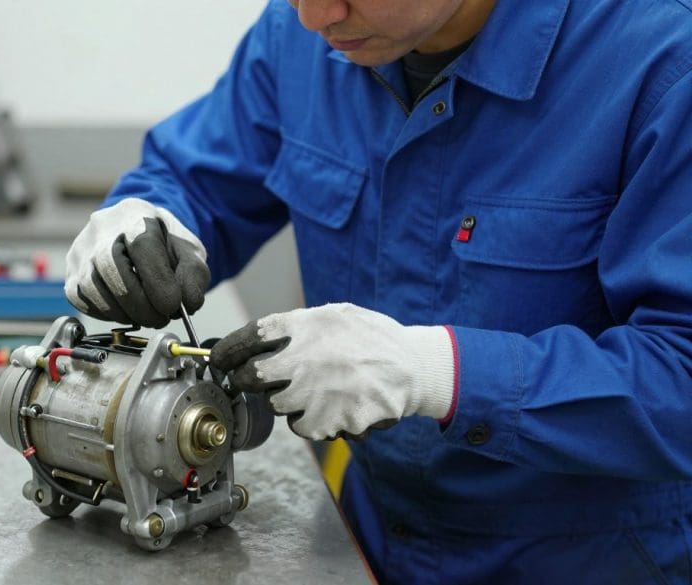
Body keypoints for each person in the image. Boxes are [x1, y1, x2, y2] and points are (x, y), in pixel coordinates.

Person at [64, 0, 692, 582]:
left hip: (592, 558)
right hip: (365, 542)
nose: (315, 17)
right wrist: (146, 216)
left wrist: (437, 374)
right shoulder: (299, 36)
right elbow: (196, 178)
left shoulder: (663, 59)